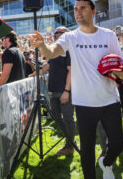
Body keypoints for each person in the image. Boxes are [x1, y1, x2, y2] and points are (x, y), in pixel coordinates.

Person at [29, 0, 123, 179]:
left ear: (93, 11)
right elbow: (51, 52)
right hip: (84, 104)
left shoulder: (108, 35)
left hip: (110, 100)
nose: (78, 12)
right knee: (87, 150)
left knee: (118, 145)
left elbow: (121, 63)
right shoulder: (70, 37)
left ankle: (106, 163)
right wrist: (42, 45)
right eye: (76, 9)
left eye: (83, 8)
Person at [30, 26, 76, 155]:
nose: (55, 35)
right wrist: (32, 75)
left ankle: (70, 145)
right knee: (55, 117)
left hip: (64, 90)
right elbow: (48, 65)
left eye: (58, 32)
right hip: (54, 90)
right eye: (55, 32)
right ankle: (71, 141)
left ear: (66, 34)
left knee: (68, 118)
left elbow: (71, 71)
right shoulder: (55, 50)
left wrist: (67, 91)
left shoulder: (68, 50)